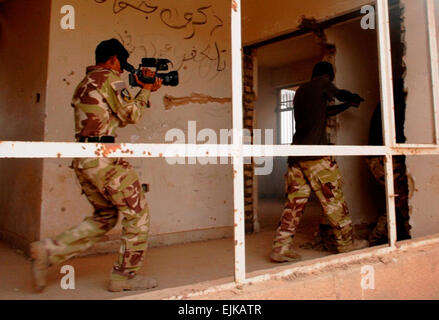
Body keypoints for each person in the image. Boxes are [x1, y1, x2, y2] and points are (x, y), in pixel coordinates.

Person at [30, 38, 162, 292]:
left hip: (83, 158)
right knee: (138, 215)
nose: (122, 69)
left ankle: (48, 251)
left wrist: (140, 91)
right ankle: (124, 277)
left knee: (105, 216)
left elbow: (112, 117)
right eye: (121, 63)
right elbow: (130, 115)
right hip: (104, 156)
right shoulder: (111, 80)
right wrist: (146, 90)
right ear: (112, 59)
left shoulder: (84, 83)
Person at [271, 61, 367, 263]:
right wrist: (352, 98)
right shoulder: (322, 82)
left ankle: (281, 247)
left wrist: (346, 106)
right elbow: (339, 93)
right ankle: (346, 243)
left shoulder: (301, 92)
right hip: (316, 155)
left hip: (297, 155)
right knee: (335, 201)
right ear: (327, 75)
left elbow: (325, 113)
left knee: (294, 204)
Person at [366, 81, 411, 245]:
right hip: (384, 158)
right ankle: (376, 239)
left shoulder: (387, 102)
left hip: (379, 158)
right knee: (398, 199)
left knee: (397, 199)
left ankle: (385, 236)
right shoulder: (397, 103)